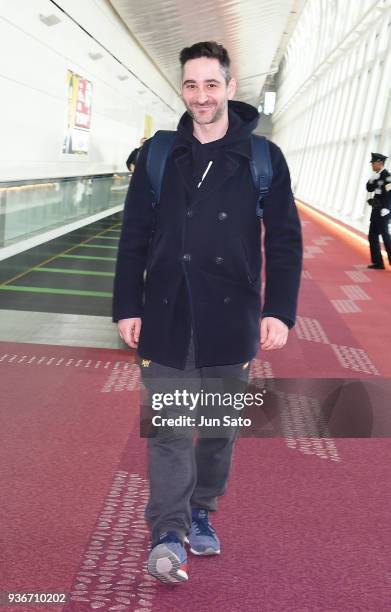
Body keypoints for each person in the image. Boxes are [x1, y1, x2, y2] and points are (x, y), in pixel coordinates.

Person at [113, 41, 302, 584]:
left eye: (210, 84)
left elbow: (285, 241)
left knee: (218, 430)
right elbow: (135, 236)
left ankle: (202, 508)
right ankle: (167, 530)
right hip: (167, 310)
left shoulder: (262, 157)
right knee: (171, 428)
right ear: (183, 89)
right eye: (191, 85)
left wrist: (280, 311)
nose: (200, 96)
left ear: (230, 87)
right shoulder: (159, 153)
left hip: (231, 313)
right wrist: (128, 304)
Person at [366, 152, 391, 269]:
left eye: (373, 163)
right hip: (376, 210)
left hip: (384, 212)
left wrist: (387, 208)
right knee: (372, 235)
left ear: (380, 163)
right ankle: (378, 262)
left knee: (385, 237)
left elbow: (390, 194)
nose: (372, 165)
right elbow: (369, 188)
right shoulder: (376, 176)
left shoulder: (388, 177)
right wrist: (371, 180)